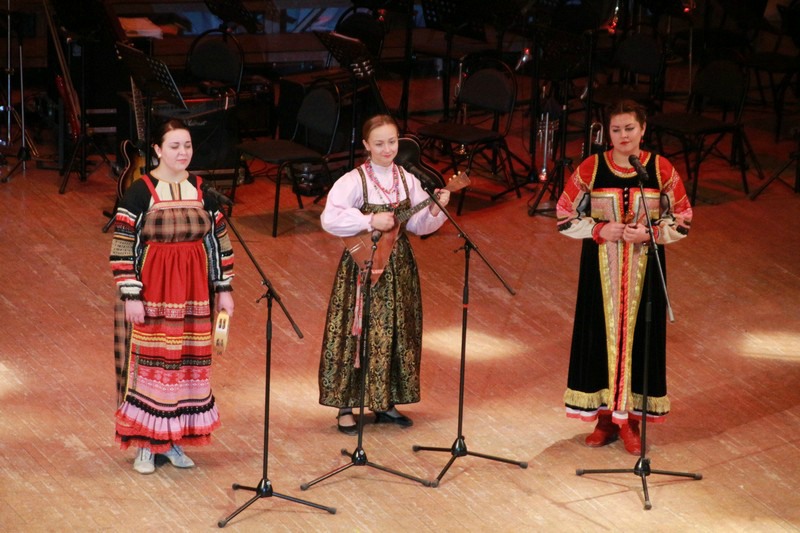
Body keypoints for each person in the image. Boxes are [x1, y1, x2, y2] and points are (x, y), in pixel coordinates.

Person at [556, 100, 693, 455]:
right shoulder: (592, 167)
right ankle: (605, 419)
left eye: (629, 128)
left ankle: (630, 421)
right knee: (598, 338)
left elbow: (683, 216)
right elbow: (563, 213)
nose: (623, 136)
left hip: (645, 272)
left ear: (643, 129)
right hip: (600, 272)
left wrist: (651, 233)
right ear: (608, 133)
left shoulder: (660, 169)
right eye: (616, 130)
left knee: (641, 341)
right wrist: (599, 229)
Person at [110, 119, 235, 473]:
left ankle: (173, 439)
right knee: (151, 365)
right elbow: (123, 247)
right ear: (157, 150)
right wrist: (131, 294)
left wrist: (224, 289)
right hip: (153, 292)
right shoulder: (140, 192)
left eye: (188, 145)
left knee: (185, 364)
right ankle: (146, 444)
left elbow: (218, 242)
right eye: (175, 146)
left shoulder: (203, 191)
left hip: (193, 293)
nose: (183, 152)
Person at [318, 114, 450, 435]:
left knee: (395, 330)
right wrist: (368, 221)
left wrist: (435, 209)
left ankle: (384, 400)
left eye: (392, 142)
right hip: (364, 266)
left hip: (399, 264)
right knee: (357, 331)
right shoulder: (353, 181)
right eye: (379, 143)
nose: (387, 149)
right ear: (366, 145)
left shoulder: (406, 178)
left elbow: (417, 225)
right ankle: (345, 406)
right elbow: (329, 219)